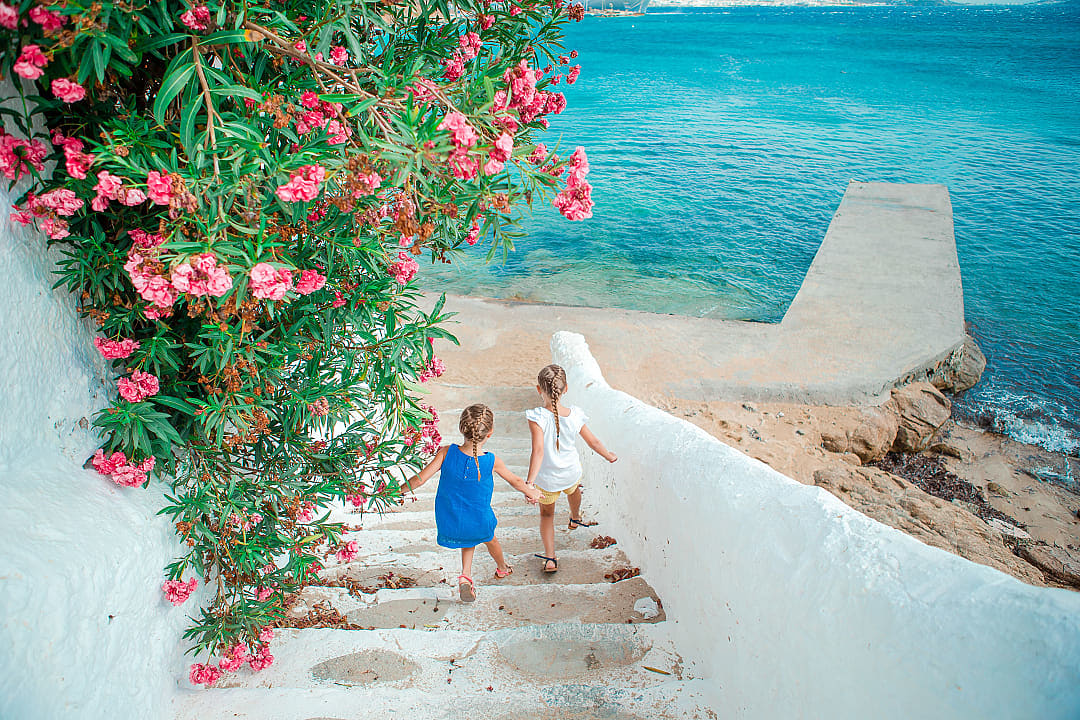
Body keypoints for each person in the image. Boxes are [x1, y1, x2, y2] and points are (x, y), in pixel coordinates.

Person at [404, 403, 542, 602]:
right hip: (479, 520)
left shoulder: (445, 453)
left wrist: (395, 491)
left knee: (468, 535)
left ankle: (466, 576)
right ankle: (502, 567)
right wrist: (532, 492)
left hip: (450, 519)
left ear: (462, 428)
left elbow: (420, 480)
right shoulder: (492, 461)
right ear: (490, 433)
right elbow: (516, 481)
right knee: (489, 539)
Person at [525, 364, 617, 573]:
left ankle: (550, 558)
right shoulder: (575, 414)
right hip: (570, 472)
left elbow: (538, 451)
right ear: (566, 388)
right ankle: (575, 517)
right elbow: (593, 441)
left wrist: (529, 484)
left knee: (547, 516)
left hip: (547, 479)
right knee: (574, 490)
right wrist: (608, 455)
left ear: (539, 390)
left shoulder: (536, 417)